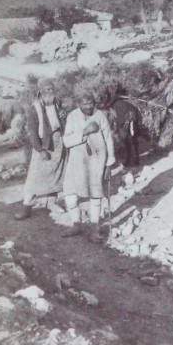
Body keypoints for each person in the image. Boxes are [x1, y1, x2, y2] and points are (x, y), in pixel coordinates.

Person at [60, 87, 115, 242]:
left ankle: (94, 228)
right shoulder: (72, 117)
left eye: (91, 103)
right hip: (77, 161)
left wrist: (109, 162)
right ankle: (76, 224)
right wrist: (84, 132)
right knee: (70, 192)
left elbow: (109, 139)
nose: (89, 106)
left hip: (97, 160)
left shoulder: (100, 116)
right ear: (79, 104)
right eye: (85, 104)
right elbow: (66, 141)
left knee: (95, 193)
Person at [14, 79, 66, 220]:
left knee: (56, 174)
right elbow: (31, 131)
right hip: (44, 145)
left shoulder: (57, 104)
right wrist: (40, 149)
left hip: (58, 143)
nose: (50, 93)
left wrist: (63, 116)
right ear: (40, 92)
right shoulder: (34, 108)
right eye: (46, 90)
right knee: (35, 176)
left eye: (51, 89)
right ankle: (27, 207)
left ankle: (52, 203)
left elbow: (60, 122)